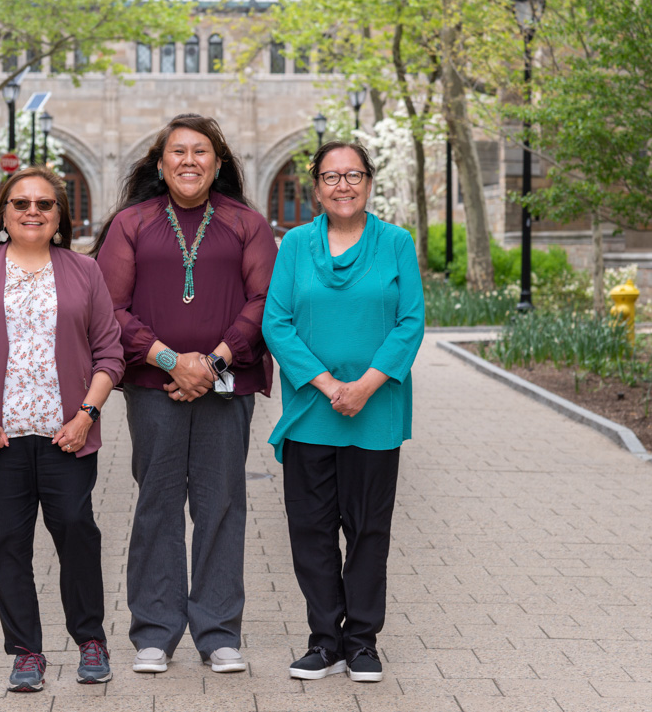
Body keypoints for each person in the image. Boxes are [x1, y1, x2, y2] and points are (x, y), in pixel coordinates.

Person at [92, 114, 277, 674]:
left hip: (226, 382)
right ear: (160, 162)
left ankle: (218, 632)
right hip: (153, 385)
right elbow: (109, 306)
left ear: (218, 163)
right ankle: (155, 631)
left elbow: (265, 299)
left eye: (201, 151)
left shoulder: (247, 222)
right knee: (157, 502)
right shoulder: (132, 222)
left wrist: (215, 359)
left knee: (221, 503)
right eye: (178, 151)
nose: (189, 160)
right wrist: (172, 360)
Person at [0, 166, 124, 692]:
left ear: (60, 216)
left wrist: (86, 416)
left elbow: (111, 352)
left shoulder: (84, 271)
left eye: (44, 204)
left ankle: (91, 640)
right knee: (9, 544)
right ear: (4, 213)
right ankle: (26, 653)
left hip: (68, 435)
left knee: (78, 534)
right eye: (21, 203)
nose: (32, 211)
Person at [262, 141, 424, 683]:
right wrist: (331, 385)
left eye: (353, 175)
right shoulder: (294, 246)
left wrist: (366, 386)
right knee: (310, 531)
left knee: (367, 530)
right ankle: (324, 640)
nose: (343, 186)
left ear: (369, 182)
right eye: (331, 177)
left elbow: (410, 323)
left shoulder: (396, 243)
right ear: (316, 188)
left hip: (374, 413)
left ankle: (362, 643)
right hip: (313, 410)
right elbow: (276, 323)